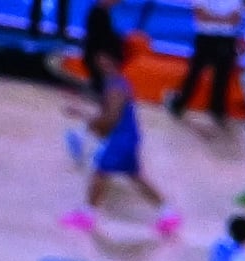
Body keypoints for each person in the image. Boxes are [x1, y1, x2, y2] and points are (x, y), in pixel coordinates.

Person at [62, 61, 185, 248]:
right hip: (128, 138)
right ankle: (168, 214)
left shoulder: (115, 87)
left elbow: (108, 120)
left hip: (121, 140)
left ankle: (87, 215)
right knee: (136, 177)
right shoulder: (118, 84)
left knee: (99, 173)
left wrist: (82, 118)